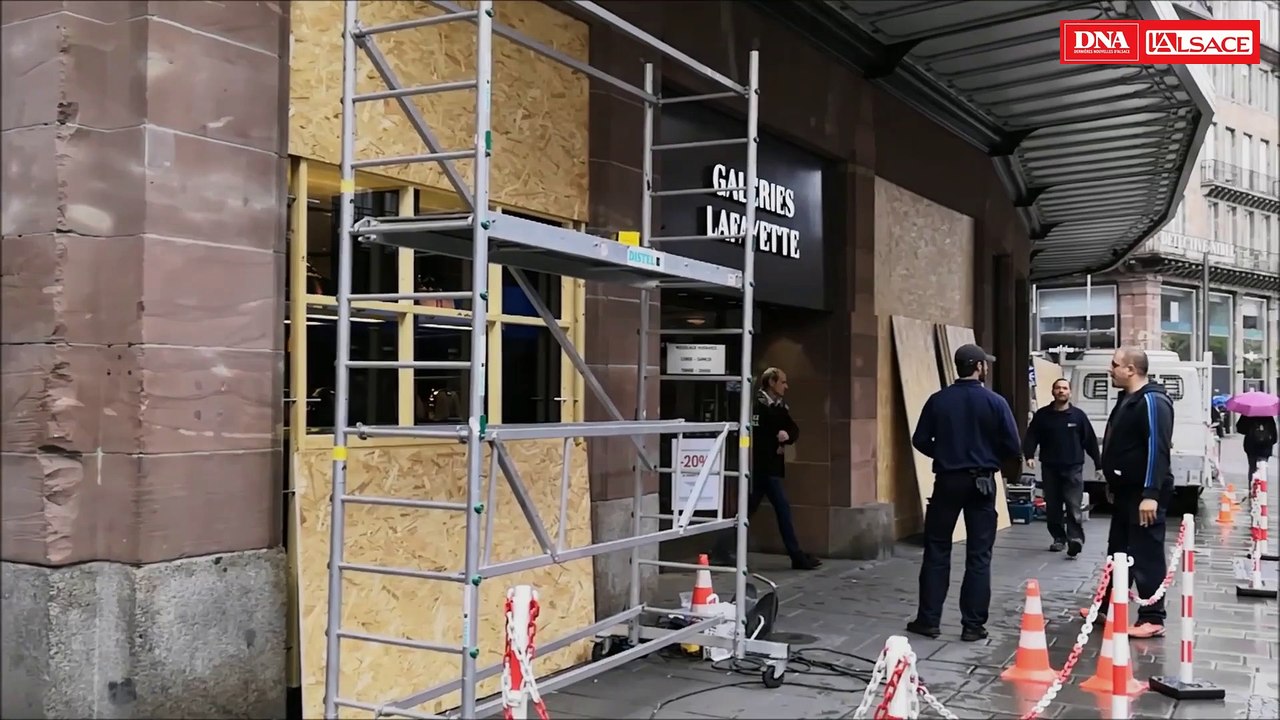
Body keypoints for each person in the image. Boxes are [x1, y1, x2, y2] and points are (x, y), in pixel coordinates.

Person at [906, 344, 1022, 642]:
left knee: (937, 549)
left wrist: (944, 452)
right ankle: (973, 625)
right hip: (982, 481)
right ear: (980, 367)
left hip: (947, 479)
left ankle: (929, 620)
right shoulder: (995, 402)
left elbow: (920, 439)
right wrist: (989, 457)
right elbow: (1012, 446)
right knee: (979, 555)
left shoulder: (939, 400)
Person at [1094, 347, 1174, 638]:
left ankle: (1152, 617)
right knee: (1118, 551)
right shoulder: (1127, 399)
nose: (1109, 369)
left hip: (1144, 494)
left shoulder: (1153, 401)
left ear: (1131, 369)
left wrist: (1150, 493)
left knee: (1146, 552)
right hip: (1126, 491)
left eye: (1115, 364)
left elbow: (1158, 448)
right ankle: (1107, 607)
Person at [711, 367, 822, 571]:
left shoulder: (779, 405)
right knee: (781, 510)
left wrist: (786, 436)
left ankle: (721, 550)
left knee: (746, 511)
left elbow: (792, 428)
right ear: (771, 382)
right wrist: (777, 438)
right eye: (783, 382)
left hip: (769, 468)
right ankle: (796, 556)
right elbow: (755, 436)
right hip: (760, 468)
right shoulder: (757, 406)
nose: (786, 386)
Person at [1023, 378, 1101, 557]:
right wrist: (1029, 455)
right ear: (1053, 391)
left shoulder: (1078, 416)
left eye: (1064, 388)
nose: (1061, 391)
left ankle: (1075, 539)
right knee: (1053, 507)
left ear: (1070, 392)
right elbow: (1031, 436)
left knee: (1073, 505)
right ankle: (1059, 538)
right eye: (1058, 388)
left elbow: (1090, 441)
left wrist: (1099, 465)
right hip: (1050, 468)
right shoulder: (1042, 415)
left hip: (1073, 468)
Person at [1236, 413, 1278, 480]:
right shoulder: (1268, 415)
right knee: (1263, 467)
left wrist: (1249, 430)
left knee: (1253, 467)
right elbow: (1274, 434)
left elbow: (1240, 428)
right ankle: (1263, 486)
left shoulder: (1248, 414)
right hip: (1265, 447)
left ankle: (1252, 488)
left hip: (1251, 446)